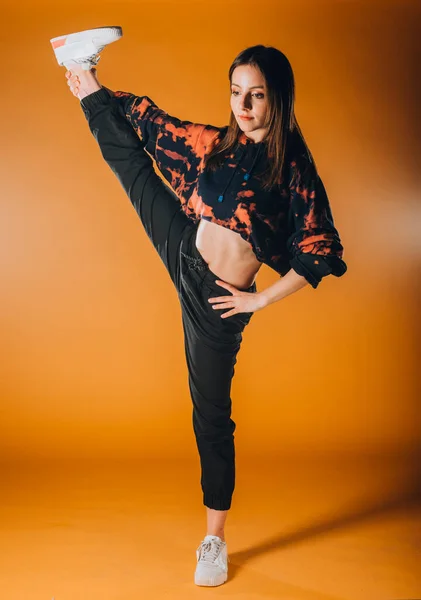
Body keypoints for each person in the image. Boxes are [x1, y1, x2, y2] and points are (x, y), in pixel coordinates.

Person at [50, 26, 347, 587]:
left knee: (210, 416)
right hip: (183, 248)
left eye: (255, 94)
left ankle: (214, 538)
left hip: (216, 302)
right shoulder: (221, 144)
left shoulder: (294, 172)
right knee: (133, 165)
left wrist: (257, 299)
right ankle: (81, 69)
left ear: (277, 98)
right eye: (236, 91)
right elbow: (159, 127)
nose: (243, 105)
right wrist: (94, 91)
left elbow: (319, 250)